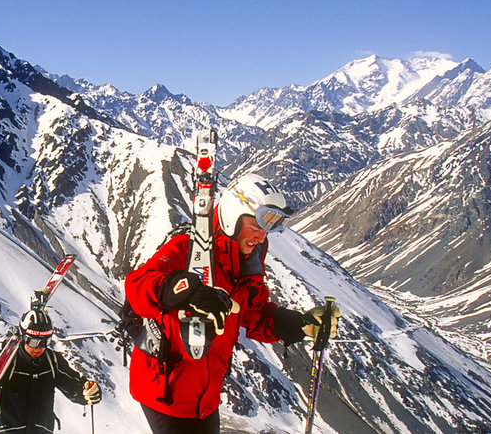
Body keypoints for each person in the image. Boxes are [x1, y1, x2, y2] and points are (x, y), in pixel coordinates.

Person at [124, 173, 341, 434]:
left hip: (206, 395)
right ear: (233, 216)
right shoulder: (188, 248)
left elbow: (256, 317)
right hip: (166, 393)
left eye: (269, 229)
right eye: (257, 226)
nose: (261, 237)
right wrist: (187, 291)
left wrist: (301, 324)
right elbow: (137, 287)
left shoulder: (249, 257)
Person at [0, 310, 102, 433]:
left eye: (46, 342)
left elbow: (75, 387)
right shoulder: (1, 362)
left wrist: (89, 391)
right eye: (33, 341)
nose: (40, 348)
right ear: (23, 337)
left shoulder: (52, 361)